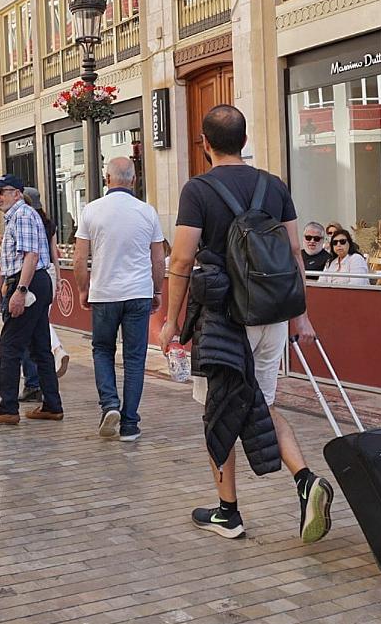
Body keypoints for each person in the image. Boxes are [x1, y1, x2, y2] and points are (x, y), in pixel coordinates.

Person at [157, 105, 333, 544]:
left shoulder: (198, 190)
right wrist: (301, 316)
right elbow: (295, 253)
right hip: (270, 318)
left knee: (219, 411)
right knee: (262, 405)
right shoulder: (274, 187)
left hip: (222, 322)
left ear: (204, 143)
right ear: (244, 139)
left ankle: (227, 511)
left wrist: (170, 322)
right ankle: (305, 480)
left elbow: (180, 259)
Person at [73, 157, 164, 442]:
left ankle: (109, 404)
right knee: (135, 359)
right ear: (134, 180)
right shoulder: (147, 212)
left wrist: (83, 288)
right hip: (138, 292)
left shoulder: (91, 210)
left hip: (104, 293)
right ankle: (129, 425)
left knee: (102, 350)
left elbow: (79, 258)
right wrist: (157, 290)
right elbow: (158, 259)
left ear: (107, 179)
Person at [0, 174, 65, 425]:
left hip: (29, 283)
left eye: (1, 191)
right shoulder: (18, 216)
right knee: (39, 347)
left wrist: (20, 291)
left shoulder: (23, 215)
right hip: (32, 282)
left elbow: (32, 256)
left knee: (9, 346)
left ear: (17, 193)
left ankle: (8, 408)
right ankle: (52, 404)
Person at [17, 186, 70, 403]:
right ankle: (39, 381)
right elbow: (54, 252)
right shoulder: (48, 222)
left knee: (32, 324)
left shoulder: (24, 220)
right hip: (48, 271)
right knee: (40, 320)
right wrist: (57, 277)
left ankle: (56, 349)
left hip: (31, 274)